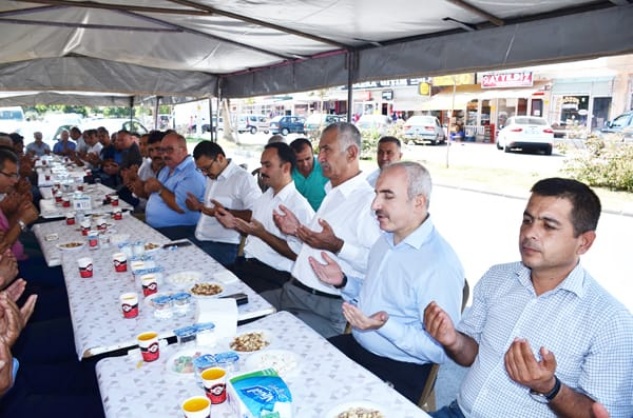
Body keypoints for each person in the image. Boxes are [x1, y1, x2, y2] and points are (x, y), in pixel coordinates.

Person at [424, 178, 633, 418]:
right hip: (458, 412)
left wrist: (550, 388)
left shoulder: (610, 321)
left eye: (549, 226)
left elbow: (603, 413)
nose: (530, 233)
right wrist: (453, 340)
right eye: (527, 220)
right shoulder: (497, 277)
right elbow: (470, 354)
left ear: (584, 242)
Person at [309, 161, 464, 403]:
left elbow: (441, 350)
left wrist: (383, 326)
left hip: (398, 369)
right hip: (358, 348)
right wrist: (343, 282)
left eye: (387, 196)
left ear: (418, 202)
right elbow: (376, 296)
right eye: (376, 194)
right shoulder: (385, 240)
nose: (374, 205)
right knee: (300, 367)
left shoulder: (438, 264)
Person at [263, 122, 381, 338]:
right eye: (320, 150)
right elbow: (318, 244)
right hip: (293, 291)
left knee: (262, 336)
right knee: (236, 311)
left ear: (351, 153)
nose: (321, 158)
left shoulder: (368, 203)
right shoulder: (333, 192)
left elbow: (378, 263)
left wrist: (338, 246)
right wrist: (297, 230)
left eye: (327, 150)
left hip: (323, 307)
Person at [216, 142, 314, 292]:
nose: (262, 170)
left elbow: (300, 254)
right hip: (248, 265)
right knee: (208, 284)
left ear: (286, 168)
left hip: (274, 276)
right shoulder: (265, 197)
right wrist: (235, 225)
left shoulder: (299, 206)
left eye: (268, 165)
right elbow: (254, 233)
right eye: (262, 165)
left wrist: (263, 234)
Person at [184, 141, 261, 267]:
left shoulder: (243, 179)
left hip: (224, 245)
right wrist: (199, 207)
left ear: (220, 158)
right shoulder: (212, 176)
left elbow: (257, 215)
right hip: (200, 237)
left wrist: (225, 212)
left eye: (206, 168)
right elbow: (212, 209)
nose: (204, 174)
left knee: (190, 268)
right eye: (201, 170)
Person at [145, 132, 205, 240]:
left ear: (183, 150)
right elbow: (153, 194)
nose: (164, 155)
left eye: (169, 150)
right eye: (162, 150)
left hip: (179, 230)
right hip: (158, 228)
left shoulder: (192, 174)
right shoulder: (166, 169)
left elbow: (180, 207)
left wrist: (160, 189)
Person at [289, 137, 328, 211]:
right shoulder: (288, 173)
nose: (305, 164)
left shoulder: (326, 169)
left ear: (313, 153)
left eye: (308, 158)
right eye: (299, 161)